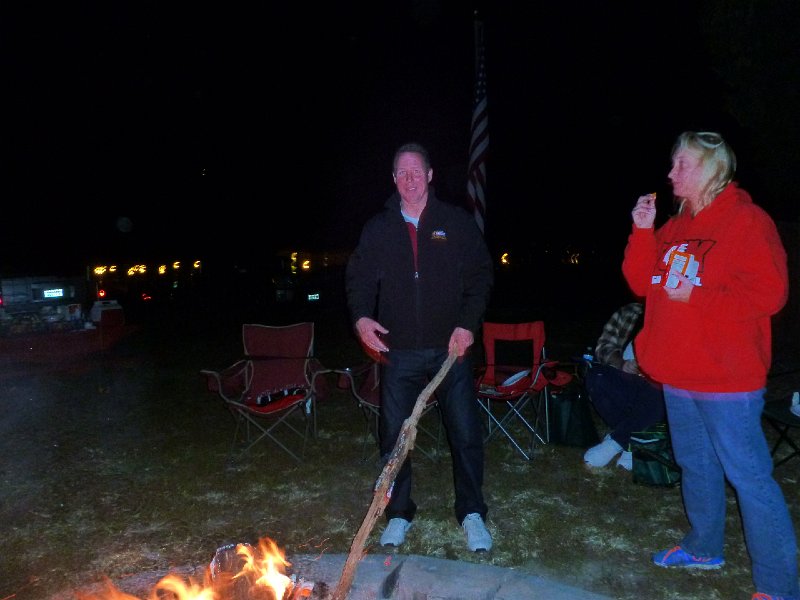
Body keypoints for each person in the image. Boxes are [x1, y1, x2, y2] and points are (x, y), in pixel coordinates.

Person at [622, 131, 798, 600]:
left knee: (749, 478)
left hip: (727, 379)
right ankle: (703, 547)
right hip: (679, 373)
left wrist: (699, 296)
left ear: (711, 169)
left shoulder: (747, 221)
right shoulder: (676, 226)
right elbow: (642, 283)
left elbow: (770, 293)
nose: (670, 172)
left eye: (681, 164)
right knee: (695, 466)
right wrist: (642, 230)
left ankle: (779, 586)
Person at [345, 142, 494, 552]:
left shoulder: (455, 223)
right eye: (401, 172)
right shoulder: (379, 228)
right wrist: (360, 318)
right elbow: (358, 279)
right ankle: (398, 513)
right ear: (393, 178)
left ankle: (471, 512)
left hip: (451, 348)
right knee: (394, 436)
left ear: (430, 175)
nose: (409, 179)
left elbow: (481, 276)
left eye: (416, 171)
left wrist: (467, 325)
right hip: (400, 351)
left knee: (464, 432)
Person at [582, 301, 666, 471]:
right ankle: (634, 439)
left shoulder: (675, 314)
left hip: (656, 386)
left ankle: (617, 441)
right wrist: (621, 363)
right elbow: (603, 348)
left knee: (657, 390)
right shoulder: (629, 312)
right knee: (596, 377)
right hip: (627, 380)